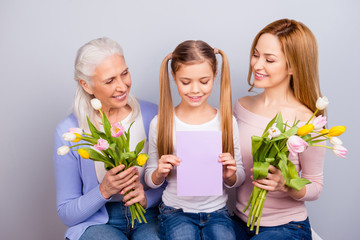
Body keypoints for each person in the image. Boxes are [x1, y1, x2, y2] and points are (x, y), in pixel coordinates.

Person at [53, 37, 164, 240]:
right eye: (110, 80)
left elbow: (172, 184)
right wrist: (103, 190)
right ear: (86, 85)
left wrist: (147, 198)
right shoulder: (70, 131)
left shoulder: (153, 116)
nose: (122, 86)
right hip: (98, 222)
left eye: (124, 73)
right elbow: (67, 212)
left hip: (148, 216)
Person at [232, 19, 325, 240]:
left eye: (269, 59)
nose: (257, 65)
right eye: (256, 55)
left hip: (285, 227)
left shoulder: (308, 120)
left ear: (293, 66)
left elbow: (316, 186)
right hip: (237, 221)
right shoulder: (242, 106)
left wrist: (286, 185)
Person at [144, 40, 245, 240]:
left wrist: (230, 174)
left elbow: (238, 176)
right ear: (174, 77)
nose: (195, 90)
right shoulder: (162, 123)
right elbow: (150, 178)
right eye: (186, 82)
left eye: (204, 81)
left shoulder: (226, 122)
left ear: (215, 76)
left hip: (217, 211)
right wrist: (159, 172)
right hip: (175, 211)